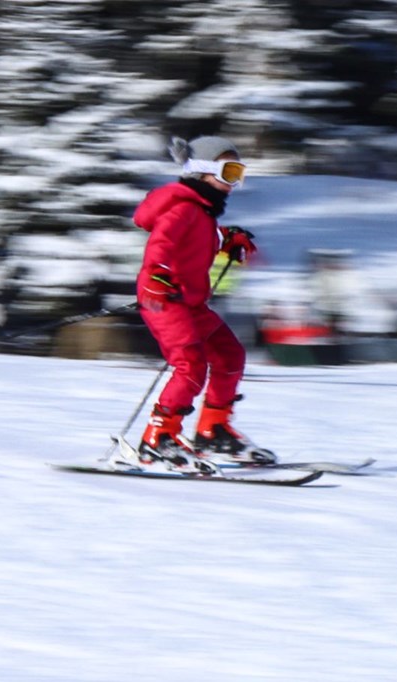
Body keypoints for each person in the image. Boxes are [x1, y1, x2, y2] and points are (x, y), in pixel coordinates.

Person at [131, 135, 265, 469]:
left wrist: (228, 239)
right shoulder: (182, 209)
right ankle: (158, 437)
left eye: (239, 173)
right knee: (191, 366)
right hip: (164, 300)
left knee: (230, 354)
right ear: (202, 171)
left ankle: (212, 430)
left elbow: (205, 236)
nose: (234, 183)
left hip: (189, 303)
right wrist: (159, 277)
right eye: (228, 172)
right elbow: (161, 245)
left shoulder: (201, 212)